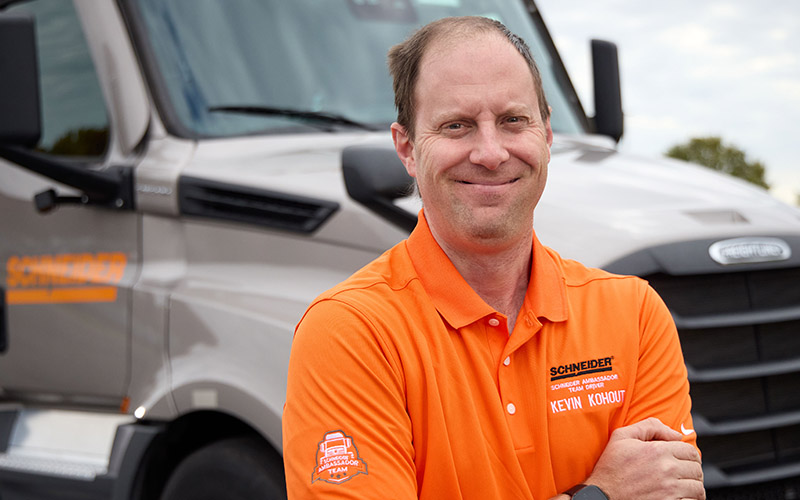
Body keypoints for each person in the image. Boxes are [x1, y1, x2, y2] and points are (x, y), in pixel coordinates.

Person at [282, 16, 704, 500]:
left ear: (546, 135)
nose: (489, 152)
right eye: (456, 125)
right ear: (407, 149)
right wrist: (600, 495)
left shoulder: (634, 315)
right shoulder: (351, 333)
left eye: (512, 121)